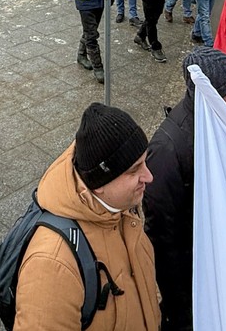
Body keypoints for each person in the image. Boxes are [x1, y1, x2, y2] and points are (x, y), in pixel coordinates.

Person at [13, 102, 160, 330]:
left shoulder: (119, 205)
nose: (149, 177)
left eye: (145, 161)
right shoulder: (51, 267)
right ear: (99, 183)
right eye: (134, 170)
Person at [144, 49, 226, 330]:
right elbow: (162, 236)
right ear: (211, 95)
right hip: (191, 266)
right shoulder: (166, 150)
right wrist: (179, 303)